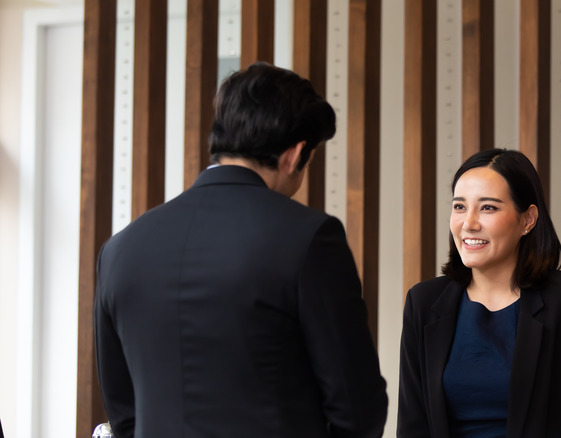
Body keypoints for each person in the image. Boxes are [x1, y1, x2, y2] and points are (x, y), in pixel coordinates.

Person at [94, 61, 387, 437]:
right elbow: (357, 407)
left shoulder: (121, 248)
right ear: (296, 155)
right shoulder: (309, 237)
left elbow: (123, 414)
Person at [397, 149, 561, 437]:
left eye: (488, 208)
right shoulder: (423, 302)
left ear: (528, 220)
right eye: (459, 207)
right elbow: (413, 427)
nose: (469, 223)